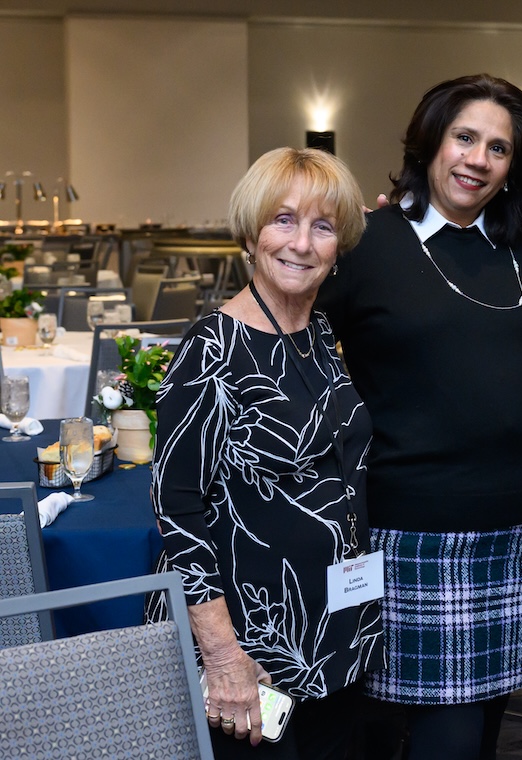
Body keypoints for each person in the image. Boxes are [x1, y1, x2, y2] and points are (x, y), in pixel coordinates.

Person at [315, 74, 522, 760]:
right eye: (464, 137)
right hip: (414, 526)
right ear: (430, 143)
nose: (478, 159)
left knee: (486, 724)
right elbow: (296, 356)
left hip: (519, 527)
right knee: (437, 734)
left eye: (499, 148)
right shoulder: (365, 243)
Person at [151, 146, 382, 757]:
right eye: (283, 219)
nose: (301, 243)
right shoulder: (212, 349)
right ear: (251, 235)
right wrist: (223, 655)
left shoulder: (319, 333)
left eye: (323, 226)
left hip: (336, 632)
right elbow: (178, 512)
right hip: (253, 652)